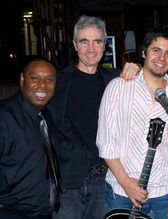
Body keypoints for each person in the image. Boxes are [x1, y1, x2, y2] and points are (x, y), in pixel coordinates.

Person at [48, 15, 141, 219]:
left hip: (105, 179)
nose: (91, 49)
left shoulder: (118, 80)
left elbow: (152, 87)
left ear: (105, 45)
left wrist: (138, 70)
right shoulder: (57, 82)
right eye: (84, 42)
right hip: (67, 183)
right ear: (75, 45)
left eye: (97, 41)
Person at [96, 28, 168, 219]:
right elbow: (106, 143)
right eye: (156, 50)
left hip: (165, 194)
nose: (162, 57)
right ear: (143, 52)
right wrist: (126, 183)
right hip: (121, 193)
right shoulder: (118, 88)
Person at [0, 58, 60, 219]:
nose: (42, 85)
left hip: (46, 213)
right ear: (22, 79)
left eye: (49, 79)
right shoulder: (4, 117)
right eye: (35, 78)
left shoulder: (48, 115)